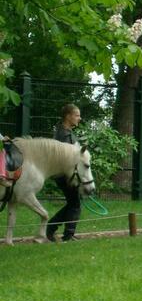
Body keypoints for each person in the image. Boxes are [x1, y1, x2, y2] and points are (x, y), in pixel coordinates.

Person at [46, 104, 82, 242]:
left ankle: (53, 229)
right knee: (75, 203)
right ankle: (67, 234)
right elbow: (67, 158)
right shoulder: (64, 135)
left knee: (73, 202)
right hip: (65, 175)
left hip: (67, 174)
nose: (79, 118)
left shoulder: (65, 132)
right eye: (77, 115)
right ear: (68, 116)